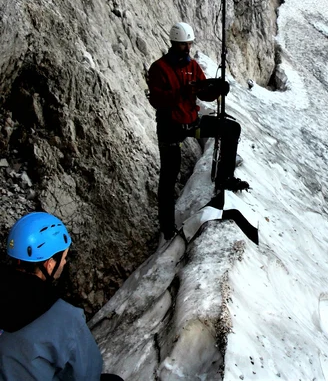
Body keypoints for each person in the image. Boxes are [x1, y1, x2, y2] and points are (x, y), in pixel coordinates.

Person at [148, 22, 249, 240]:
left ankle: (225, 178)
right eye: (184, 45)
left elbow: (202, 93)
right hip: (170, 128)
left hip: (190, 123)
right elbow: (158, 100)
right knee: (169, 177)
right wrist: (184, 91)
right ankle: (167, 227)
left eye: (189, 44)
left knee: (231, 129)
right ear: (174, 43)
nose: (188, 48)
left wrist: (217, 89)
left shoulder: (192, 65)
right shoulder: (159, 69)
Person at [0, 212, 122, 380]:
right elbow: (87, 374)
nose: (65, 262)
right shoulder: (65, 318)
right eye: (64, 257)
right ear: (49, 264)